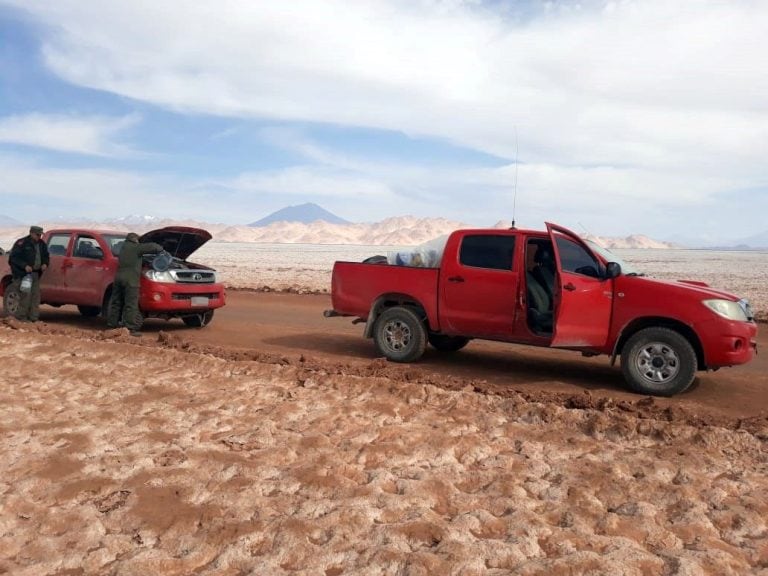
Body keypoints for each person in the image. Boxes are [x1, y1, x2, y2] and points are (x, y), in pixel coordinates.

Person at [106, 232, 163, 336]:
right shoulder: (136, 248)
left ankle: (112, 324)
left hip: (118, 278)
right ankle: (130, 328)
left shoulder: (122, 248)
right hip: (131, 280)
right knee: (131, 304)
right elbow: (153, 247)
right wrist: (161, 248)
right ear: (135, 240)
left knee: (116, 302)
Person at [9, 225, 50, 322]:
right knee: (25, 295)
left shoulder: (41, 244)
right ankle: (22, 317)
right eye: (37, 235)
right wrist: (24, 266)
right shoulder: (22, 243)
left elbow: (46, 256)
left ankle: (33, 318)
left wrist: (45, 263)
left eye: (40, 235)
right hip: (24, 275)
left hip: (35, 274)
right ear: (31, 233)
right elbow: (13, 258)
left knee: (36, 296)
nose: (39, 237)